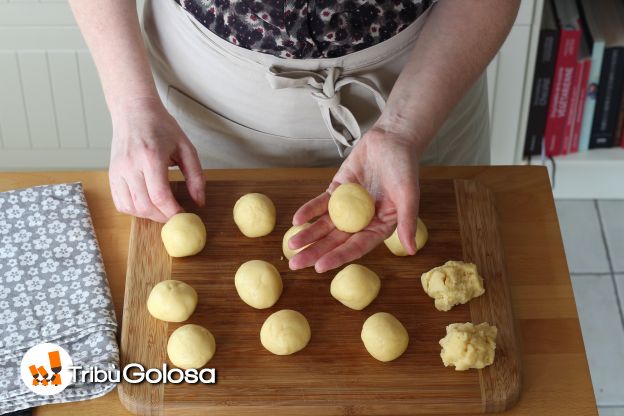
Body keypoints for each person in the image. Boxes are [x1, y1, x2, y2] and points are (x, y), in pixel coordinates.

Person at [68, 0, 519, 273]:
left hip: (424, 87)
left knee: (440, 266)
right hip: (210, 97)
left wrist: (402, 131)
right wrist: (131, 105)